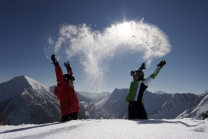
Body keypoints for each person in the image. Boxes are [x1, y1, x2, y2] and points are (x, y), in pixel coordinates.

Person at [51, 54, 80, 122]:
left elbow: (70, 76)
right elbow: (60, 77)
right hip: (67, 115)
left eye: (72, 82)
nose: (72, 83)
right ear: (66, 82)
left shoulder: (70, 87)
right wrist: (56, 65)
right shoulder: (62, 89)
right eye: (71, 81)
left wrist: (69, 69)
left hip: (74, 112)